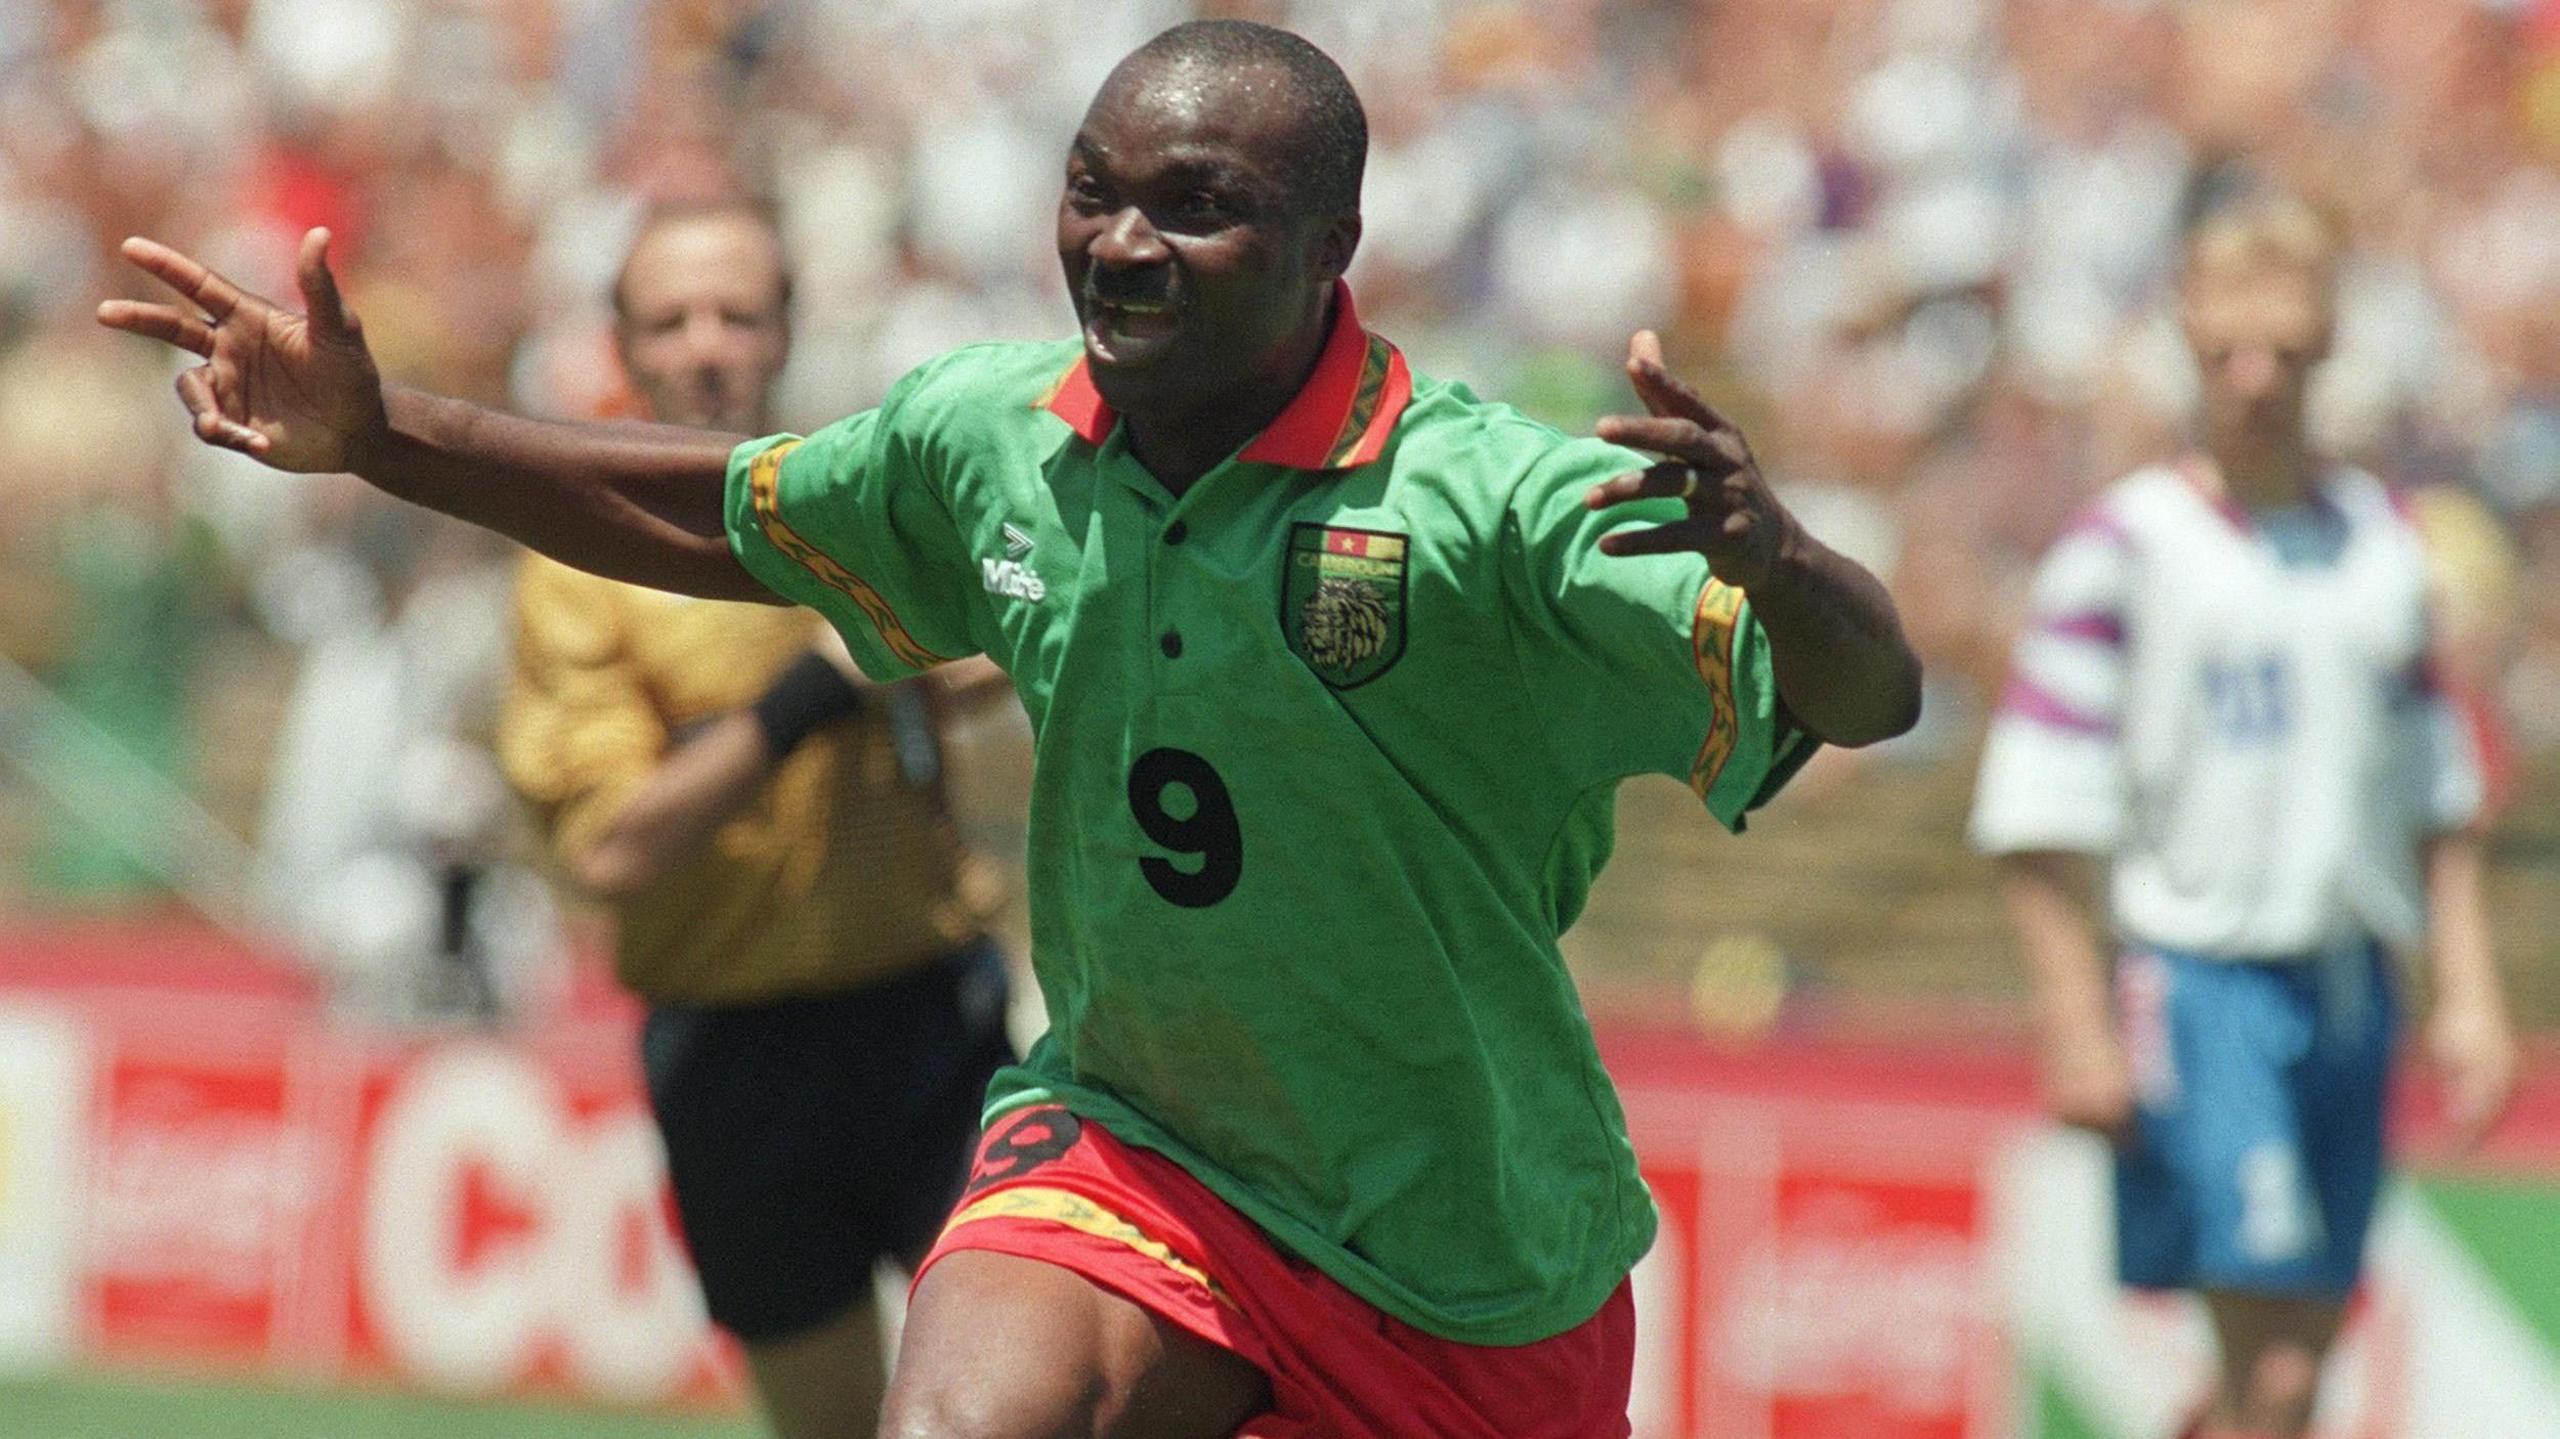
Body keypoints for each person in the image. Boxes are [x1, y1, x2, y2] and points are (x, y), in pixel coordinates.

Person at [100, 20, 1921, 1437]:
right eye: (1090, 188)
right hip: (1141, 1147)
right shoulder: (995, 439)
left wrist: (1793, 564)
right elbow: (715, 511)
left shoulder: (1491, 507)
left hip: (1467, 1253)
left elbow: (1863, 695)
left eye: (1192, 204)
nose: (1119, 244)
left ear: (1331, 243)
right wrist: (381, 433)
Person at [1969, 194, 2518, 1439]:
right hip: (2200, 985)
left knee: (2291, 1368)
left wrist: (2468, 994)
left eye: (2284, 350)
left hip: (2345, 988)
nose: (2257, 380)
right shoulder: (2123, 547)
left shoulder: (2380, 543)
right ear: (2190, 346)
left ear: (2328, 347)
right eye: (2228, 354)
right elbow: (2037, 807)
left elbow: (2437, 794)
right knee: (2272, 1372)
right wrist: (2072, 1015)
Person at [493, 199, 1014, 1439]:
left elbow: (1008, 639)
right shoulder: (580, 563)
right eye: (671, 320)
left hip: (933, 1020)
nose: (708, 344)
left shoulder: (866, 498)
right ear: (622, 348)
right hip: (736, 1054)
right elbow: (609, 845)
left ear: (787, 330)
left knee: (1010, 1400)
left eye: (739, 312)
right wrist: (811, 691)